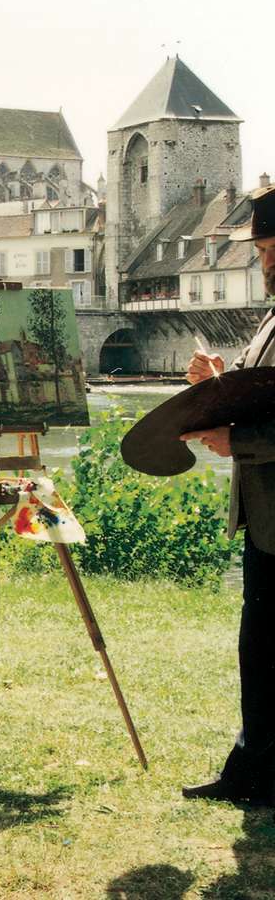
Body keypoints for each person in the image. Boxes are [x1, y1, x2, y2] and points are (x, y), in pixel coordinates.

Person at [179, 185, 275, 805]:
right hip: (266, 519)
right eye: (263, 252)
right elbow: (259, 392)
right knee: (260, 649)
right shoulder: (272, 316)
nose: (266, 264)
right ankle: (252, 772)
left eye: (273, 250)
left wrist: (236, 441)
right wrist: (217, 380)